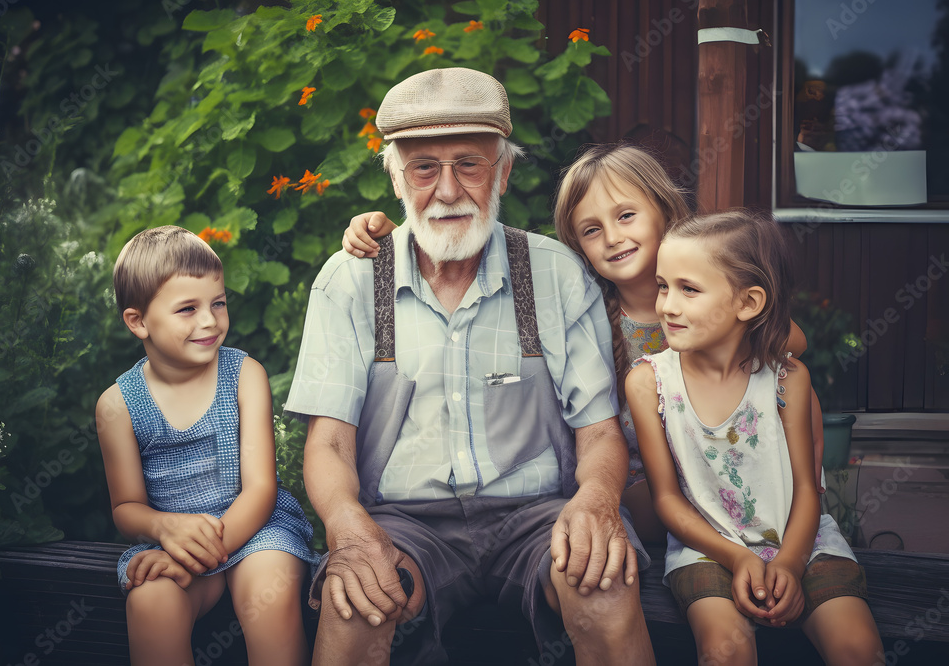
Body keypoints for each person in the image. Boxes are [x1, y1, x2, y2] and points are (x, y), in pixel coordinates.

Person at [286, 68, 655, 665]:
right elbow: (328, 445)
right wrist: (350, 529)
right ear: (396, 178)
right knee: (354, 602)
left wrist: (595, 500)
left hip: (539, 518)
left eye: (469, 164)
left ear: (503, 171)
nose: (448, 189)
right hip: (405, 524)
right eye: (424, 167)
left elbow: (599, 433)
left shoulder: (554, 273)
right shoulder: (350, 280)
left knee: (603, 586)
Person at [342, 144, 826, 547]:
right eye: (592, 230)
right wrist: (393, 233)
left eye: (627, 216)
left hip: (734, 460)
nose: (613, 238)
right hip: (647, 481)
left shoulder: (716, 292)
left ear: (665, 210)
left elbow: (786, 346)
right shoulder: (593, 307)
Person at [625, 211, 882, 665]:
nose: (666, 305)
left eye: (689, 289)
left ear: (748, 303)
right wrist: (737, 557)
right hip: (706, 547)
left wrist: (789, 562)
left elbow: (807, 488)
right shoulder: (649, 383)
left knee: (857, 649)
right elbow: (667, 500)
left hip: (802, 540)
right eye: (663, 285)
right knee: (726, 651)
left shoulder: (787, 379)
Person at [95, 226, 319, 666]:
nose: (210, 321)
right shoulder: (117, 405)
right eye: (187, 309)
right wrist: (164, 530)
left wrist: (201, 557)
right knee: (150, 603)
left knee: (267, 590)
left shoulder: (243, 375)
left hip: (257, 530)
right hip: (176, 542)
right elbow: (126, 508)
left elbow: (260, 490)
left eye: (218, 303)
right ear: (138, 321)